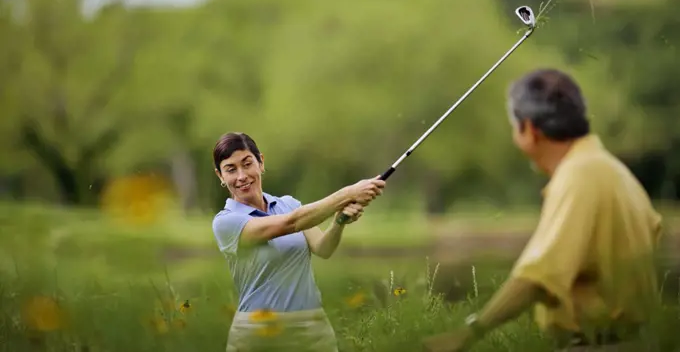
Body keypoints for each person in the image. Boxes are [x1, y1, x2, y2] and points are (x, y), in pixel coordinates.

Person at [422, 68, 664, 352]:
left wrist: (467, 334)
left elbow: (537, 277)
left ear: (529, 129)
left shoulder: (578, 176)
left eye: (515, 127)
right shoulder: (612, 170)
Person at [211, 132, 386, 352]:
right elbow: (292, 223)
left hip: (312, 325)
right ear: (220, 175)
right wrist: (348, 193)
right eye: (231, 169)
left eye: (247, 164)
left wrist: (339, 221)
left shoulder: (289, 204)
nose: (242, 175)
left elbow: (323, 248)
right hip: (257, 332)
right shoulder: (226, 222)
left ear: (261, 162)